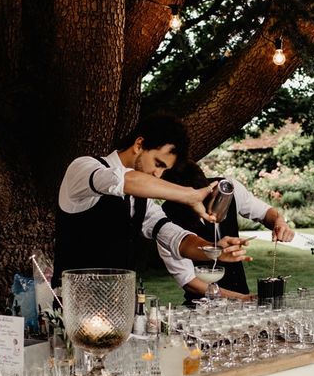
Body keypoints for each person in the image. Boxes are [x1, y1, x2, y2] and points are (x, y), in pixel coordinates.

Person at [52, 113, 249, 286]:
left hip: (117, 310)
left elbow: (177, 239)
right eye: (158, 163)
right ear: (139, 145)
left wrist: (214, 250)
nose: (158, 175)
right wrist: (190, 195)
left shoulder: (141, 200)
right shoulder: (83, 168)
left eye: (164, 170)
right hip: (72, 308)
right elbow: (124, 180)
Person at [160, 161, 295, 302]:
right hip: (201, 308)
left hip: (242, 294)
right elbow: (189, 281)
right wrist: (241, 299)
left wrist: (280, 222)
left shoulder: (228, 188)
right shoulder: (166, 220)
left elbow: (265, 212)